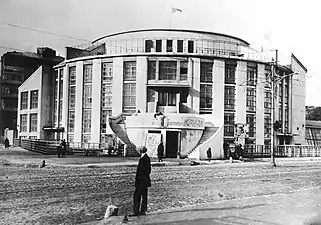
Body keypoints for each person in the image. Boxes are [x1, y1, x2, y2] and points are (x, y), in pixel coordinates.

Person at [131, 146, 151, 217]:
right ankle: (143, 211)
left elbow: (143, 171)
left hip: (141, 181)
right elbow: (148, 170)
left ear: (140, 151)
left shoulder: (143, 159)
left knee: (136, 196)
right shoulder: (146, 158)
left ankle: (136, 212)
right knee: (144, 196)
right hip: (145, 181)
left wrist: (139, 179)